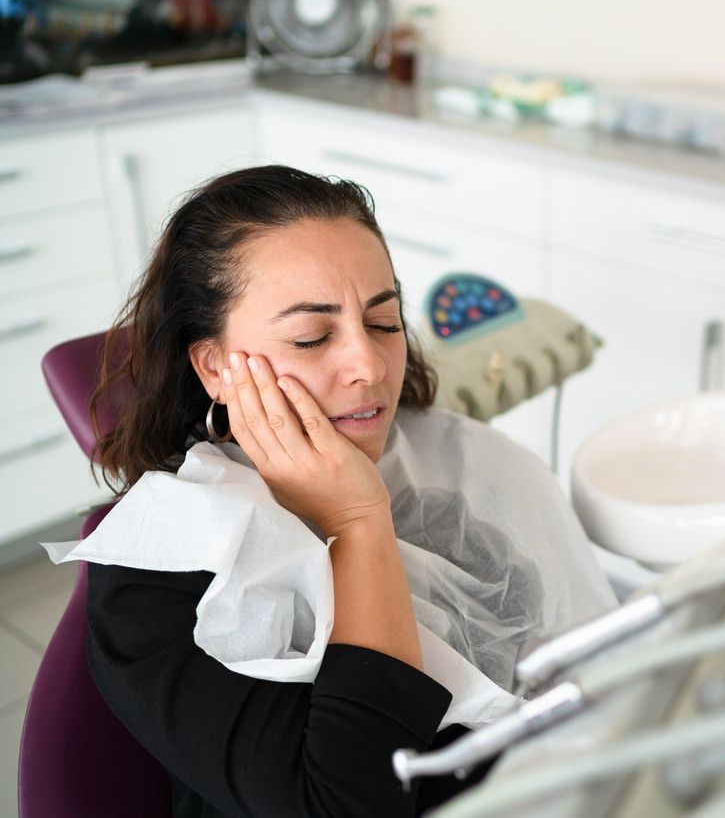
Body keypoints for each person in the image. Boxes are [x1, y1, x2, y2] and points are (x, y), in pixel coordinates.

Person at [74, 165, 615, 816]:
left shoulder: (454, 479)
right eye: (312, 337)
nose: (369, 366)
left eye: (384, 323)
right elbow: (344, 805)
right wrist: (358, 524)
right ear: (215, 365)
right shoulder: (159, 572)